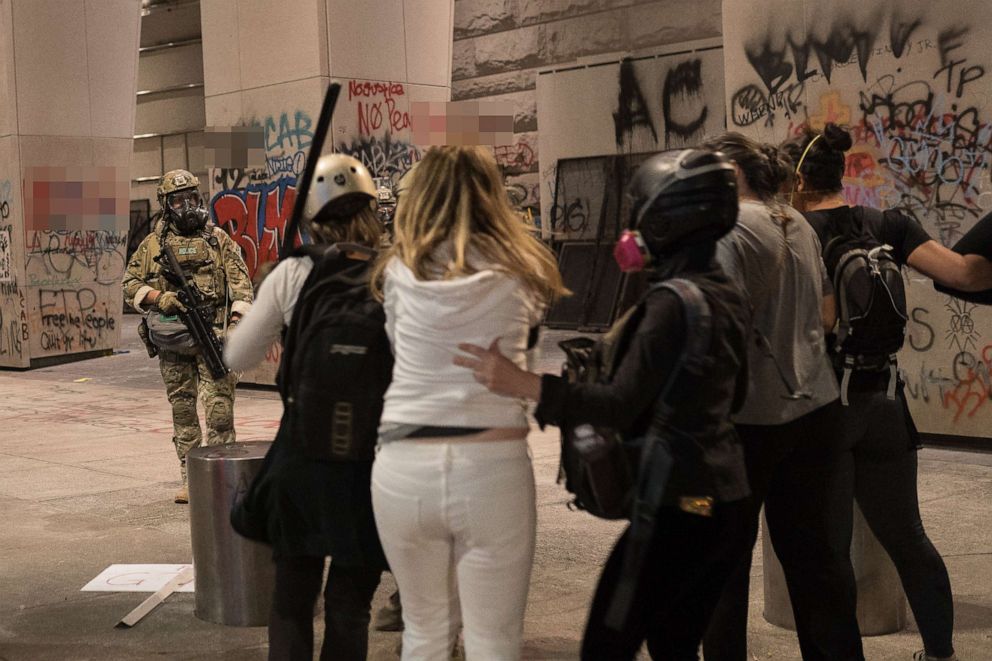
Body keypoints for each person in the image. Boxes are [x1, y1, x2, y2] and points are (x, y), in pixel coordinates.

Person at [455, 148, 752, 660]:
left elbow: (615, 405)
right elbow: (738, 393)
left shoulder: (669, 305)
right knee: (673, 643)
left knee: (606, 646)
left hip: (674, 506)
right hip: (723, 500)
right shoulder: (724, 292)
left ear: (666, 218)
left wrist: (522, 383)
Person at [783, 123, 992, 661]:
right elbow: (967, 275)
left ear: (797, 179)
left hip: (824, 411)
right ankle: (942, 654)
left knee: (827, 556)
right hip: (885, 404)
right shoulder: (887, 224)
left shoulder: (792, 231)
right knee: (910, 540)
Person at [368, 145, 567, 660]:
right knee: (493, 641)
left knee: (425, 632)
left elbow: (398, 347)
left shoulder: (396, 274)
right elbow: (529, 339)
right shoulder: (522, 270)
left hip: (403, 466)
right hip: (491, 466)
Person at [698, 133, 863, 661]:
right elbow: (823, 313)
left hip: (746, 421)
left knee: (721, 572)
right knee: (818, 563)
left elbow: (712, 328)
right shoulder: (797, 225)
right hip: (814, 409)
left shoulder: (727, 229)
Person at [224, 153, 389, 661]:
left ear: (314, 215)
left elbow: (237, 356)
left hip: (304, 461)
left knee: (292, 604)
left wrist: (266, 301)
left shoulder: (295, 273)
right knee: (350, 608)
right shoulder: (397, 272)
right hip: (374, 466)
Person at [122, 169, 252, 504]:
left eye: (192, 198)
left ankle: (224, 479)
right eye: (178, 200)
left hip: (215, 340)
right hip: (174, 344)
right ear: (165, 204)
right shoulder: (153, 246)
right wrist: (158, 298)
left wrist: (236, 326)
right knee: (183, 413)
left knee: (220, 412)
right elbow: (129, 285)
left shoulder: (219, 241)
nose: (187, 206)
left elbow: (242, 288)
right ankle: (191, 479)